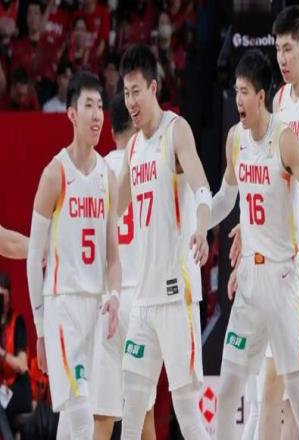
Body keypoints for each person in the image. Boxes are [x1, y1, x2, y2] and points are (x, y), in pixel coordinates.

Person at [228, 7, 299, 437]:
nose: (282, 58)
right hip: (279, 258)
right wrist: (247, 227)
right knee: (274, 381)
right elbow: (260, 179)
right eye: (277, 49)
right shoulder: (274, 102)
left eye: (289, 49)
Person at [117, 43, 211, 440]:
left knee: (187, 415)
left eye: (136, 91)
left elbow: (202, 188)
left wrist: (202, 228)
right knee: (131, 410)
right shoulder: (133, 147)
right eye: (126, 93)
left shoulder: (176, 131)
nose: (130, 101)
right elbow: (113, 208)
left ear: (153, 88)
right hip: (143, 299)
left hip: (176, 295)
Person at [26, 70, 121, 439]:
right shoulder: (55, 174)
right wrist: (40, 329)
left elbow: (113, 256)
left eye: (100, 106)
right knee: (82, 417)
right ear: (71, 114)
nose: (97, 115)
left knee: (72, 421)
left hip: (96, 309)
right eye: (89, 106)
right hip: (63, 308)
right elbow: (34, 258)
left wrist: (114, 295)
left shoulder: (107, 177)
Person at [91, 93, 156, 439]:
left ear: (111, 129)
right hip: (142, 303)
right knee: (144, 416)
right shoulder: (148, 168)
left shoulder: (98, 170)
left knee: (102, 417)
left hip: (110, 303)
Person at [0, 273, 32, 440]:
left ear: (9, 295)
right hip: (3, 389)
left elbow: (22, 365)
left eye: (2, 296)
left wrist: (2, 353)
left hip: (20, 389)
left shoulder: (17, 321)